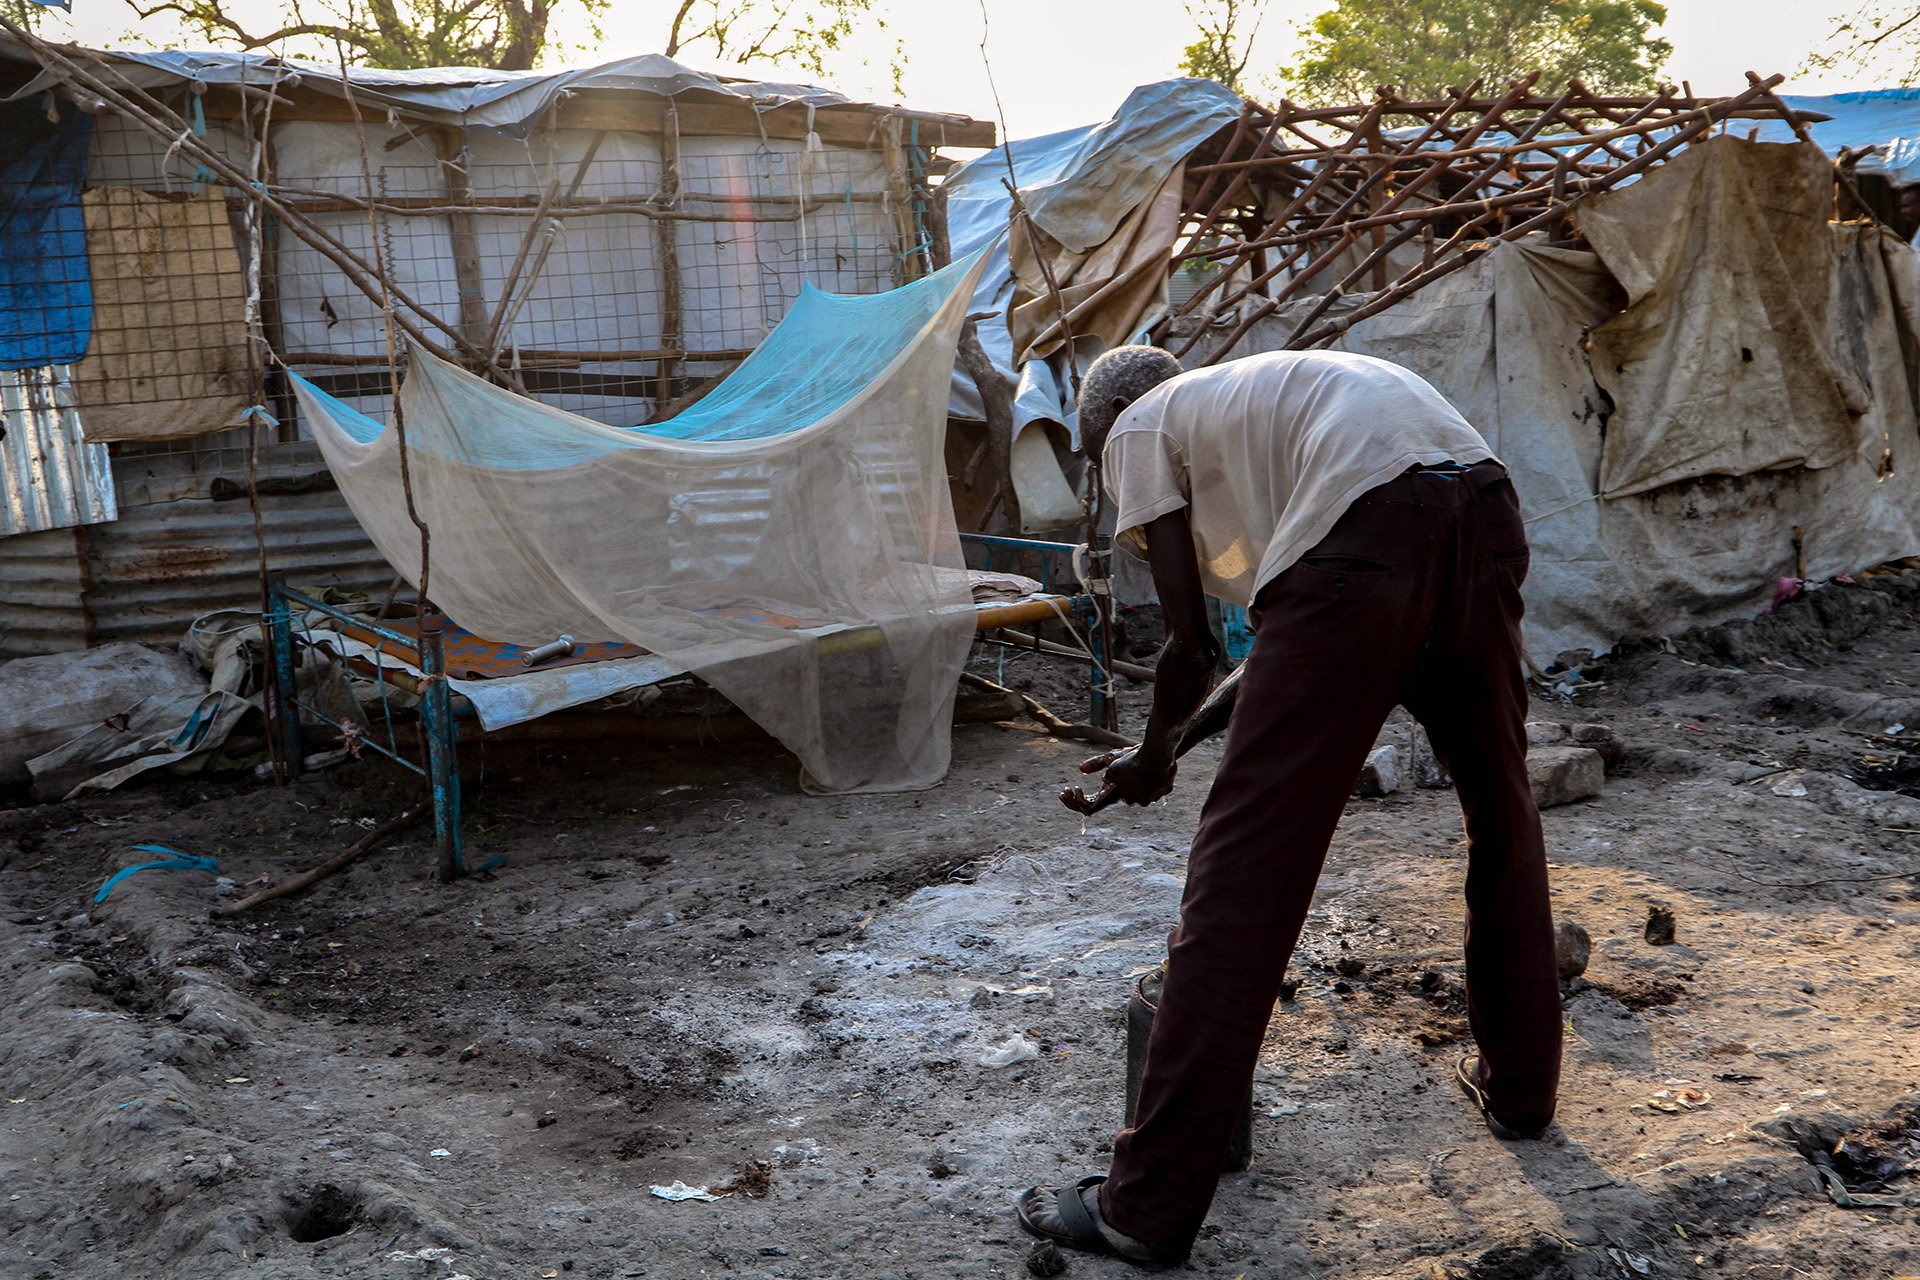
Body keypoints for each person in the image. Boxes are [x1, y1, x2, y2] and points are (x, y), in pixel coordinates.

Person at [1014, 346, 1563, 1269]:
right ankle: (1522, 1092)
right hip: (1483, 505)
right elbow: (1295, 640)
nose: (1120, 488)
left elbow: (1191, 649)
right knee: (1502, 813)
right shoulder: (1267, 399)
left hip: (1377, 534)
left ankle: (1141, 1208)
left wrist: (1153, 757)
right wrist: (1172, 747)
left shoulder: (1141, 422)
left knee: (1243, 872)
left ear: (1108, 421)